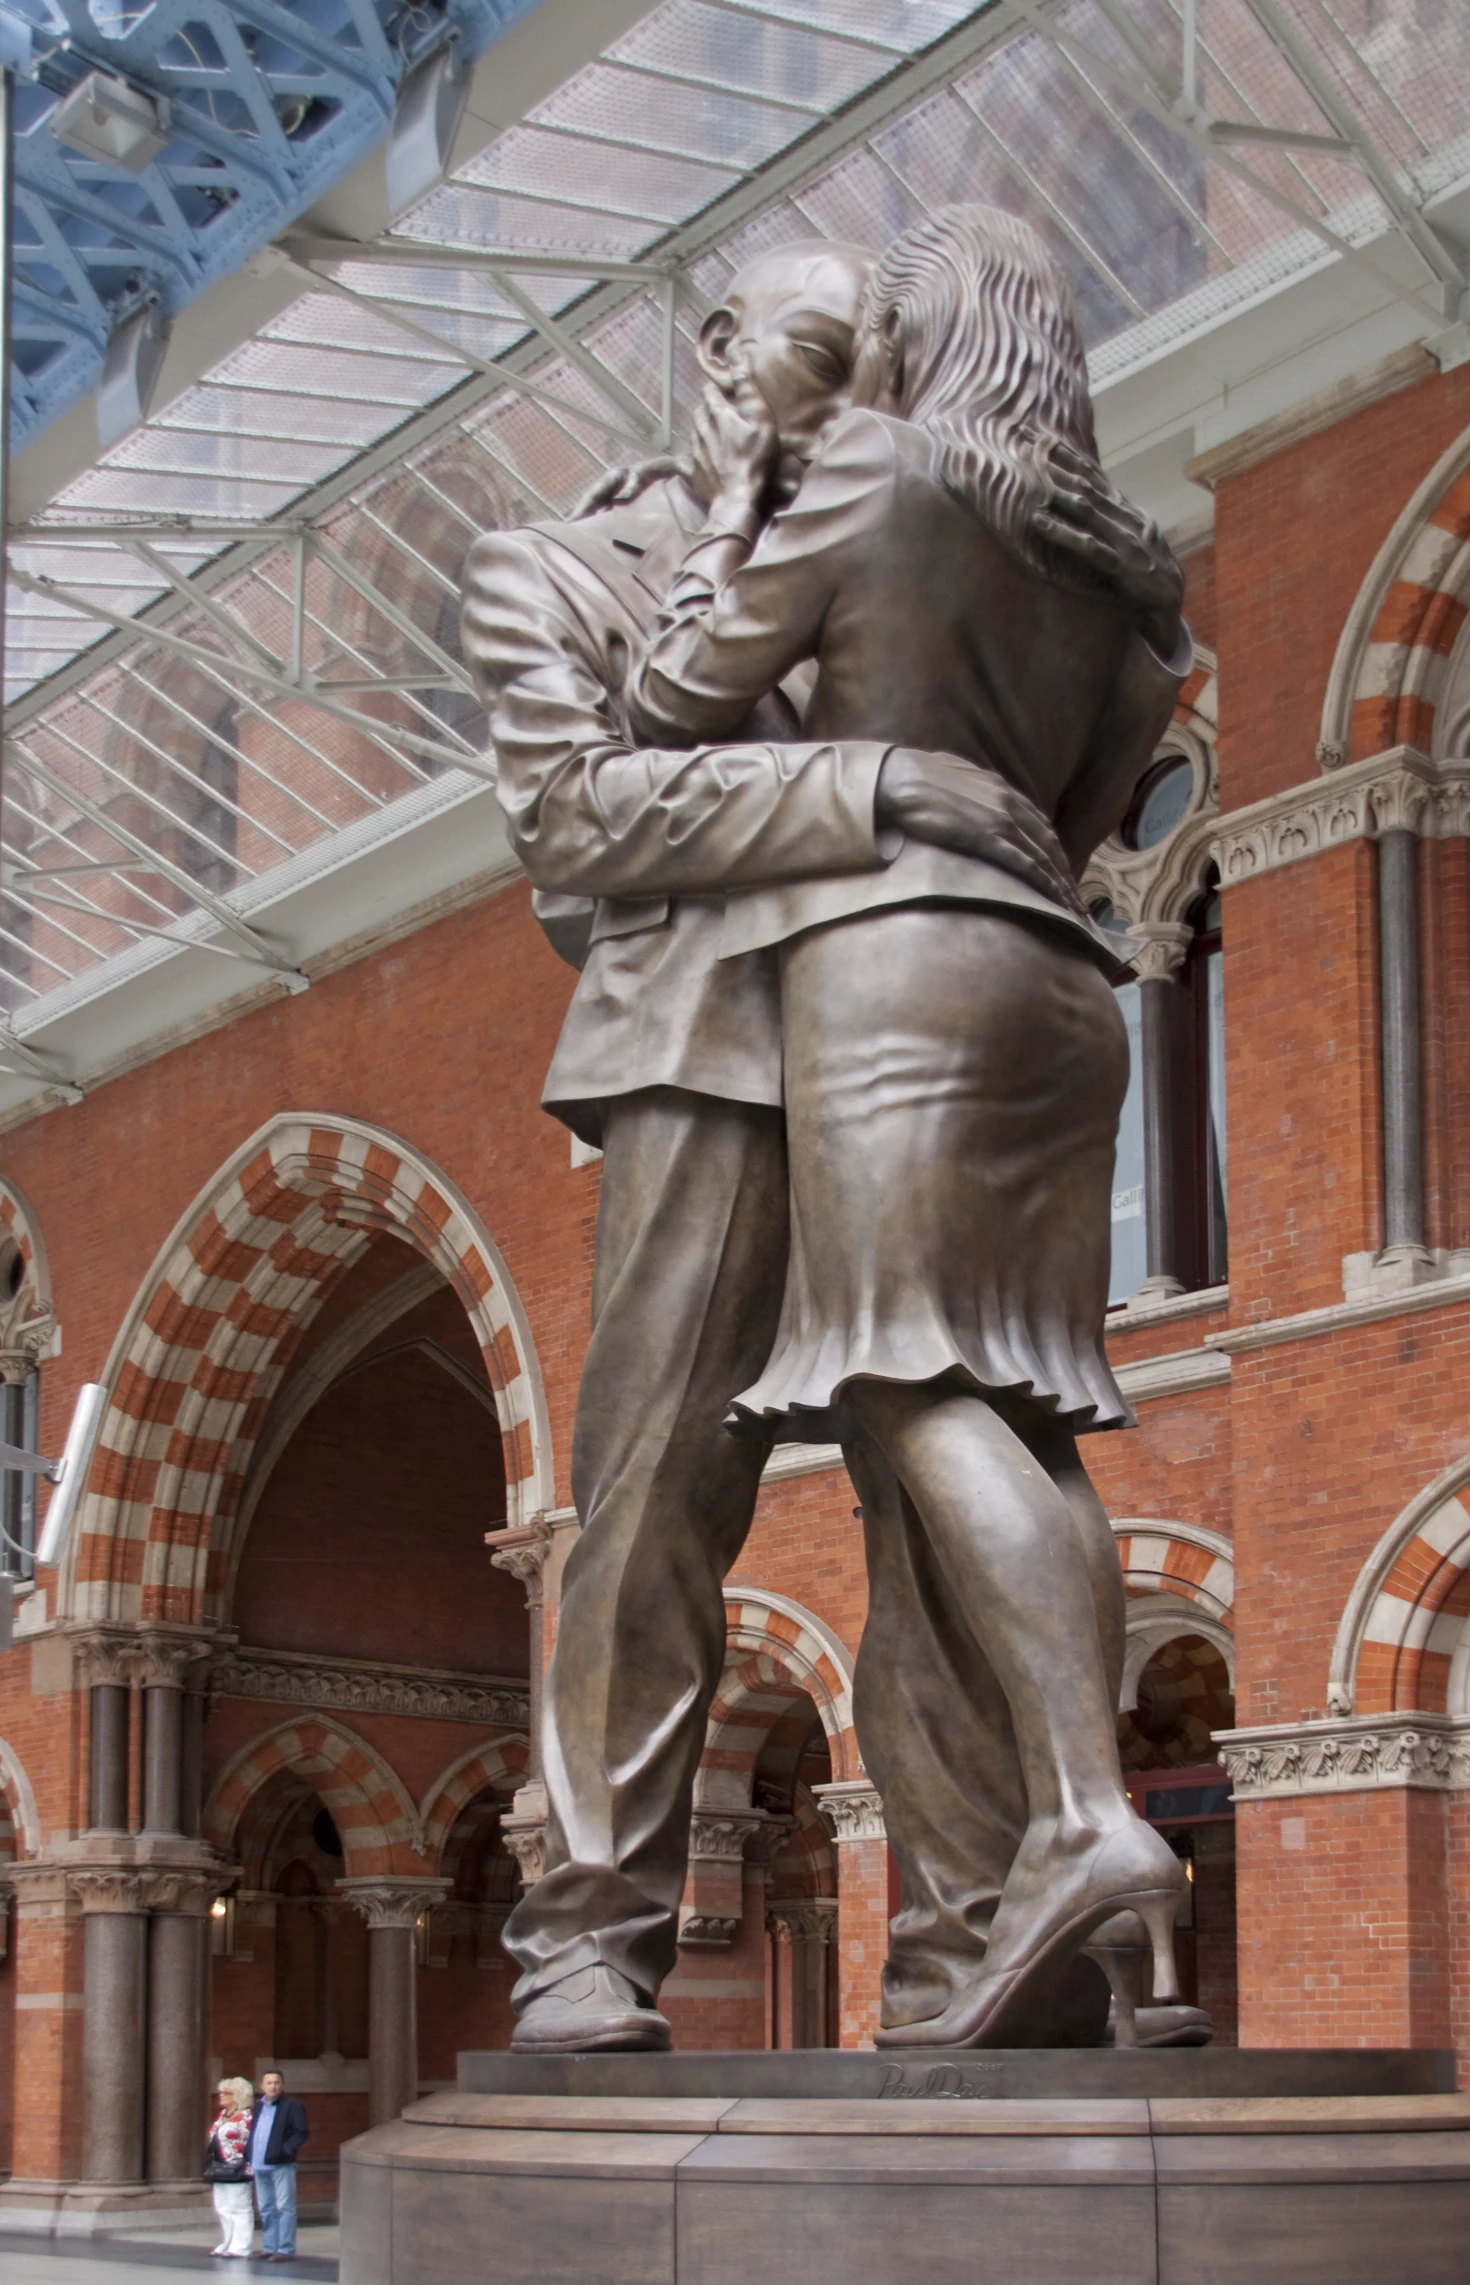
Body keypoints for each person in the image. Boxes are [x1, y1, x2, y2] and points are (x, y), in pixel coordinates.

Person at [461, 237, 1085, 2054]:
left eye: (875, 348)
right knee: (655, 1485)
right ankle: (591, 1936)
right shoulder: (552, 567)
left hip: (922, 1037)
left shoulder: (919, 517)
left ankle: (973, 1939)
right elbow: (578, 816)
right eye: (817, 343)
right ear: (722, 348)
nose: (851, 377)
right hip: (711, 1045)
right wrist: (879, 786)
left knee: (945, 1468)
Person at [628, 203, 1193, 2048]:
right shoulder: (1120, 570)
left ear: (916, 332)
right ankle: (1089, 1846)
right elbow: (1089, 804)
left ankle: (1088, 1821)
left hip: (901, 971)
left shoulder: (873, 470)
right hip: (1061, 990)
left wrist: (748, 481)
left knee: (906, 1376)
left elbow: (676, 694)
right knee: (1032, 1407)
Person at [248, 2067, 308, 2261]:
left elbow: (301, 2131)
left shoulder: (292, 2105)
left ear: (282, 2085)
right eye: (269, 2083)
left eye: (276, 2083)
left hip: (281, 2164)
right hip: (259, 2163)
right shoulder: (258, 2106)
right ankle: (270, 2246)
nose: (273, 2086)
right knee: (266, 2207)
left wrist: (286, 2150)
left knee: (284, 2207)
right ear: (262, 2086)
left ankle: (285, 2249)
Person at [205, 2077, 255, 2259]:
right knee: (223, 2207)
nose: (221, 2096)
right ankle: (228, 2241)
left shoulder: (247, 2117)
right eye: (221, 2092)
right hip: (219, 2166)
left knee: (239, 2207)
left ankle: (241, 2246)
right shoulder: (223, 2115)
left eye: (226, 2093)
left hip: (238, 2167)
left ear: (238, 2095)